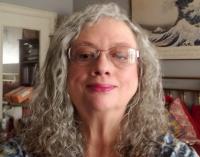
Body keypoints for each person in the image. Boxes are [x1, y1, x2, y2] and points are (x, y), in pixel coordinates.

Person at [0, 2, 198, 157]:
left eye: (120, 55)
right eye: (85, 55)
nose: (102, 67)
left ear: (141, 71)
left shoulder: (172, 153)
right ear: (61, 70)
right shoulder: (21, 151)